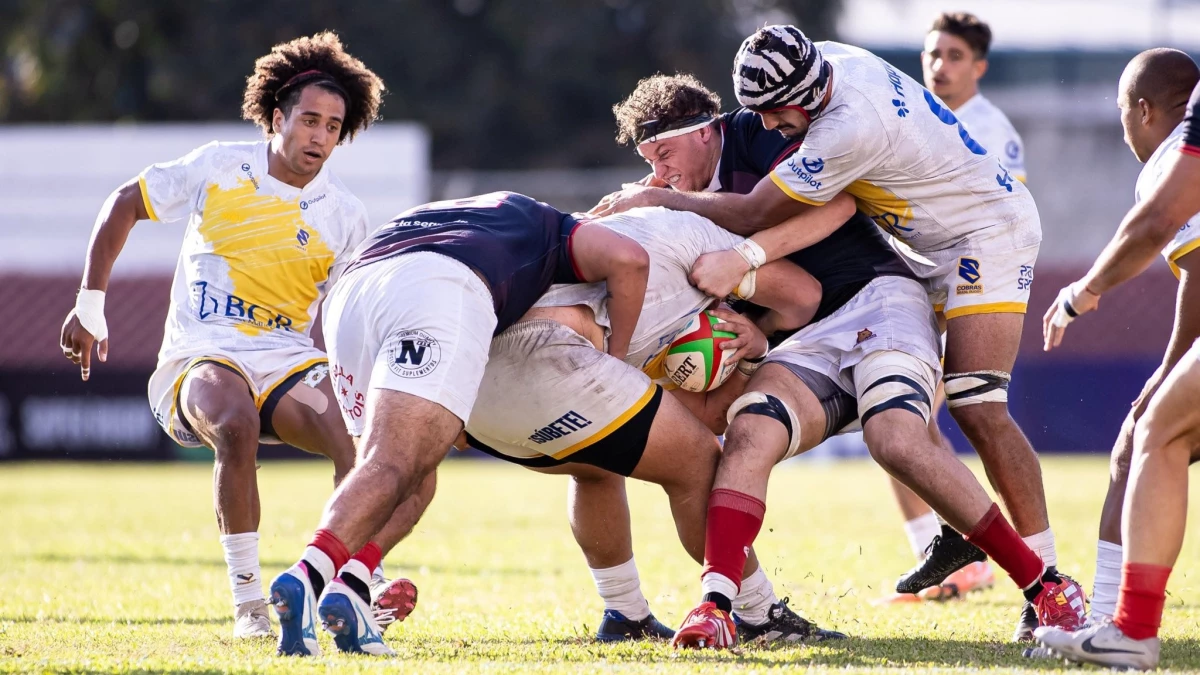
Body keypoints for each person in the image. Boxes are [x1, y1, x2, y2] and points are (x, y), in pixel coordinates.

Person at [593, 25, 1069, 640]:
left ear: (707, 130)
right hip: (833, 317)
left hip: (947, 256)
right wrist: (754, 333)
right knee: (747, 432)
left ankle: (1048, 584)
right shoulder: (807, 84)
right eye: (647, 163)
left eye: (663, 155)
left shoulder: (825, 130)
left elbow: (817, 211)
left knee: (957, 411)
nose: (766, 125)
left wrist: (741, 257)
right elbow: (793, 289)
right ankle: (717, 605)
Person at [56, 32, 421, 640]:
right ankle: (251, 605)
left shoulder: (345, 215)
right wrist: (89, 304)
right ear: (277, 118)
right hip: (201, 357)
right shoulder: (221, 167)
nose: (319, 137)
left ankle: (351, 584)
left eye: (333, 127)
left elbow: (352, 313)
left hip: (287, 364)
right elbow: (124, 203)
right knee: (235, 423)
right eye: (308, 120)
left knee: (362, 443)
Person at [269, 192, 651, 656]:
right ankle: (306, 577)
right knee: (394, 463)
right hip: (437, 287)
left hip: (351, 295)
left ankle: (351, 586)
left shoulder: (459, 214)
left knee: (407, 474)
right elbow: (629, 259)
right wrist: (620, 361)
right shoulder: (552, 227)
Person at [464, 204, 847, 644]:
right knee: (701, 463)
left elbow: (704, 415)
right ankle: (761, 615)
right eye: (655, 156)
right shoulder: (694, 235)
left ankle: (624, 613)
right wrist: (748, 283)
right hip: (547, 355)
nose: (662, 170)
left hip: (479, 398)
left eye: (665, 154)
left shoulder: (626, 238)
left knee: (596, 464)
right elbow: (803, 295)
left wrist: (753, 348)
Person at [1032, 53, 1200, 671]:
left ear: (1144, 110)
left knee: (1150, 434)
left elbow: (1179, 247)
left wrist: (1084, 292)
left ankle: (1117, 621)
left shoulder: (1173, 151)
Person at [885, 10, 1029, 604]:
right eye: (931, 55)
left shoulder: (992, 131)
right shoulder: (914, 117)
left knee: (907, 423)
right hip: (911, 287)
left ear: (979, 66)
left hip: (964, 294)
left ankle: (957, 561)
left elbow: (1007, 216)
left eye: (952, 56)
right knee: (898, 422)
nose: (938, 66)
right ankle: (943, 559)